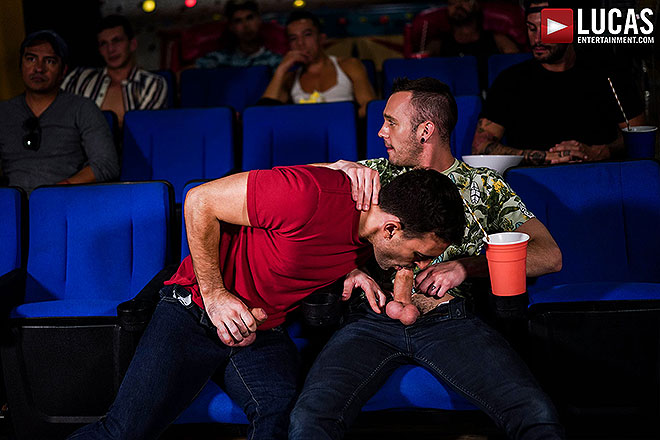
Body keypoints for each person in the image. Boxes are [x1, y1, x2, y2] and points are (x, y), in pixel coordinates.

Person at [67, 164, 467, 440]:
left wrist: (351, 270)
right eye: (419, 255)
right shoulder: (308, 194)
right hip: (195, 310)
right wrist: (216, 296)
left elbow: (315, 245)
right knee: (124, 431)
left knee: (281, 419)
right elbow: (199, 202)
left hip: (261, 330)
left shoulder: (373, 242)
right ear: (391, 229)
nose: (420, 265)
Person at [289, 77, 565, 439]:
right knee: (308, 419)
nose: (380, 132)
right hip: (370, 321)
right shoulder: (372, 176)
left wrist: (466, 267)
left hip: (450, 321)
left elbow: (549, 256)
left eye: (391, 122)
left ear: (425, 131)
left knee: (535, 413)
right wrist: (340, 168)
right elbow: (288, 188)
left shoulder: (483, 185)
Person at [472, 0, 645, 165]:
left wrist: (603, 151)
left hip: (598, 175)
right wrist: (544, 157)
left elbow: (639, 136)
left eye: (547, 28)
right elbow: (480, 147)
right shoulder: (510, 81)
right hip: (533, 179)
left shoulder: (607, 73)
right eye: (531, 29)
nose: (537, 39)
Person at [0, 30, 119, 195]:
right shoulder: (4, 112)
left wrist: (56, 190)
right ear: (21, 65)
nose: (39, 68)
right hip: (11, 203)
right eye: (31, 59)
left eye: (49, 61)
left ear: (63, 71)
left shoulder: (82, 108)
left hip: (64, 200)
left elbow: (106, 164)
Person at [261, 10, 376, 117]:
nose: (300, 43)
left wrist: (338, 120)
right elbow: (262, 114)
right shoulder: (290, 78)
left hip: (345, 128)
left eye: (307, 35)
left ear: (321, 38)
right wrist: (281, 69)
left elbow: (369, 107)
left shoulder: (348, 65)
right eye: (293, 38)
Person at [61, 15, 168, 128]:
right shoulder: (80, 77)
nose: (110, 49)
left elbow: (143, 130)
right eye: (104, 43)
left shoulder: (152, 84)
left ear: (132, 44)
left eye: (116, 41)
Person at [426, 0, 520, 90]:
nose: (458, 5)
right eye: (452, 3)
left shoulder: (499, 40)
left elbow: (517, 68)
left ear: (477, 4)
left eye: (465, 1)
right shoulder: (436, 45)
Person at [194, 0, 282, 69]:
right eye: (238, 21)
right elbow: (188, 74)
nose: (246, 25)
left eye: (250, 18)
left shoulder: (274, 61)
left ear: (259, 20)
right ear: (231, 27)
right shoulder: (219, 59)